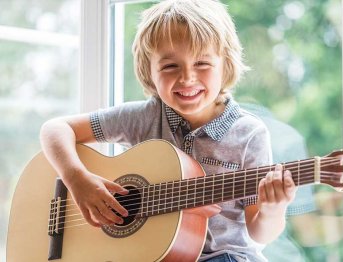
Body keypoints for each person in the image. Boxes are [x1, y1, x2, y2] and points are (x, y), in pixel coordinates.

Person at [40, 0, 296, 261]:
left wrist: (273, 209)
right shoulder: (144, 117)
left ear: (226, 65)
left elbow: (259, 232)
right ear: (149, 72)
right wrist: (77, 179)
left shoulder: (248, 134)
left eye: (202, 64)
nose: (187, 78)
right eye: (170, 66)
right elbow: (55, 129)